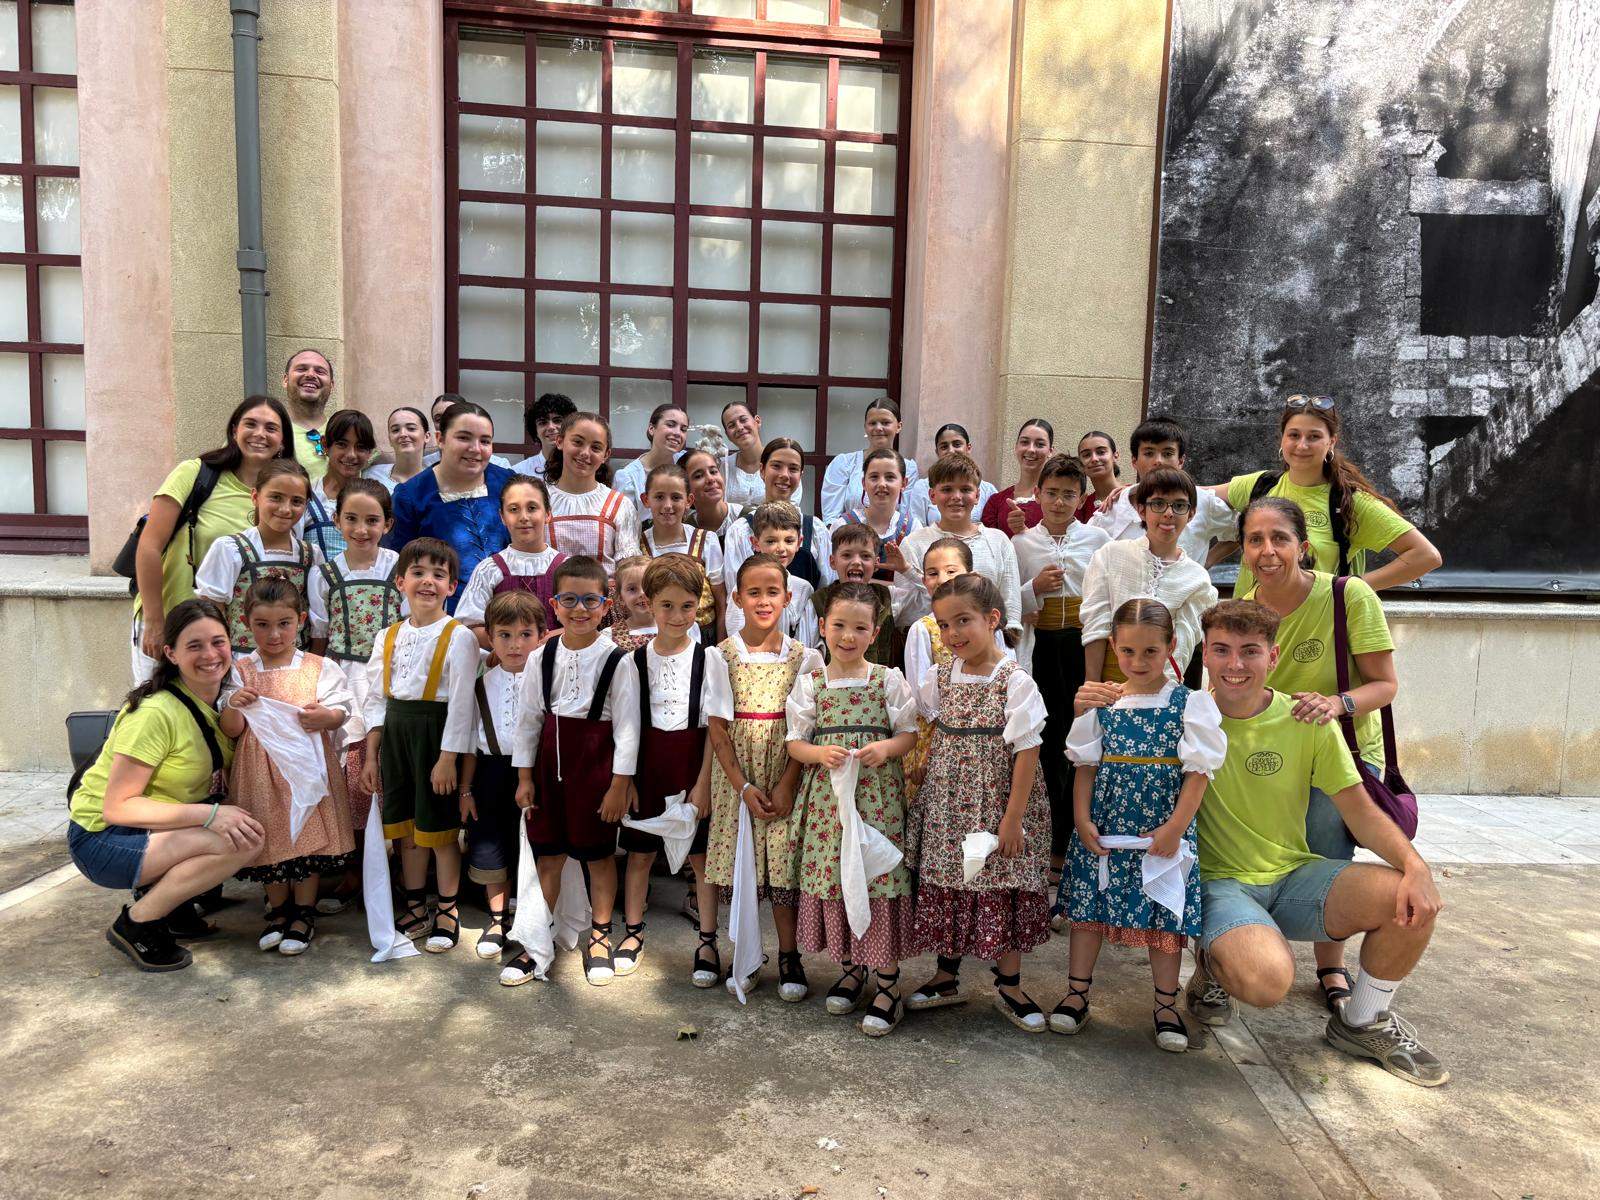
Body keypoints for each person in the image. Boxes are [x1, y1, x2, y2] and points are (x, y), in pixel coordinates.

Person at [1182, 600, 1448, 1087]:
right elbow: (1132, 702)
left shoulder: (1307, 720)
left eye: (1250, 651)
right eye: (1221, 650)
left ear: (1274, 656)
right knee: (1265, 981)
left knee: (1409, 900)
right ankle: (1213, 966)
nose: (1235, 665)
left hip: (1295, 875)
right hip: (1220, 887)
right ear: (1206, 655)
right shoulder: (1183, 718)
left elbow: (1361, 812)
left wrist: (1416, 867)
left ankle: (1361, 1022)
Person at [1232, 496, 1400, 1012]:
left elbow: (1385, 685)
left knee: (1329, 848)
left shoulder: (1349, 596)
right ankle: (1234, 950)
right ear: (1243, 550)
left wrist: (1334, 704)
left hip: (1340, 749)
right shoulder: (1247, 601)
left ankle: (1331, 964)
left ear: (1302, 547)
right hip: (1270, 754)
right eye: (1255, 539)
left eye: (1279, 538)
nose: (1267, 550)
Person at [1057, 598, 1225, 1051]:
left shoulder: (1190, 704)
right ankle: (1076, 993)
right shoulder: (1102, 700)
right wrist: (1081, 818)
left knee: (1163, 916)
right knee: (1089, 911)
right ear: (1114, 646)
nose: (1138, 662)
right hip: (1107, 825)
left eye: (1151, 651)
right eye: (1128, 651)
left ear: (1171, 645)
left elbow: (1198, 773)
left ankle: (1166, 1006)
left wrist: (1175, 828)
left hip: (1160, 829)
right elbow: (1086, 765)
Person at [68, 599, 265, 972]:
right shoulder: (156, 712)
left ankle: (171, 908)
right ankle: (138, 922)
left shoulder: (215, 702)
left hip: (145, 830)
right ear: (170, 653)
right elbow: (118, 807)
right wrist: (210, 816)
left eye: (218, 642)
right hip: (102, 838)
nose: (210, 655)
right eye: (194, 646)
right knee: (242, 839)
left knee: (238, 825)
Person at [905, 574, 1054, 1034]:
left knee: (1000, 884)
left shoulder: (1015, 680)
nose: (953, 635)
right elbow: (927, 724)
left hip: (999, 802)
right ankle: (946, 976)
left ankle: (1009, 982)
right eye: (945, 625)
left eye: (963, 621)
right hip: (950, 802)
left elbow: (1027, 752)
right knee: (954, 880)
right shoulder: (941, 675)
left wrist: (1012, 820)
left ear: (992, 619)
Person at [786, 582, 919, 1036]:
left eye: (859, 627)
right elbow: (795, 742)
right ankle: (849, 967)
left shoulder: (887, 679)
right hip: (828, 805)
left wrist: (887, 747)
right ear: (822, 627)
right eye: (838, 625)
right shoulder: (811, 684)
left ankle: (887, 984)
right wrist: (817, 754)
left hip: (877, 803)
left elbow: (908, 733)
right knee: (837, 879)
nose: (847, 636)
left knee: (874, 878)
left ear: (874, 631)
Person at [512, 555, 641, 987]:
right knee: (549, 854)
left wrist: (619, 786)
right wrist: (525, 777)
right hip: (549, 769)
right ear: (554, 603)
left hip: (596, 771)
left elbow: (627, 728)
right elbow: (529, 720)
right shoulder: (541, 656)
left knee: (599, 856)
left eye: (590, 600)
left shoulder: (617, 661)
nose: (580, 609)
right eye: (569, 599)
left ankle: (600, 935)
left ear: (606, 605)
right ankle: (536, 940)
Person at [703, 552, 820, 996]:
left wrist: (788, 781)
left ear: (788, 597)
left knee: (783, 871)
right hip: (739, 779)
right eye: (754, 592)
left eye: (773, 592)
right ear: (736, 598)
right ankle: (747, 955)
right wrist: (743, 786)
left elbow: (804, 727)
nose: (764, 600)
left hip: (786, 772)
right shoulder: (721, 656)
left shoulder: (805, 658)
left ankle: (790, 957)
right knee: (742, 870)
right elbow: (717, 729)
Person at [219, 577, 355, 957]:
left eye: (283, 624)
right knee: (270, 835)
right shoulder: (241, 671)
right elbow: (231, 730)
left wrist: (326, 716)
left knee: (306, 835)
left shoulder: (318, 667)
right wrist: (235, 704)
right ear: (246, 623)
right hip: (259, 770)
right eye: (262, 625)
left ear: (301, 620)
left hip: (306, 767)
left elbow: (342, 711)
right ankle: (278, 910)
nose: (274, 634)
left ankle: (304, 913)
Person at [359, 537, 481, 954]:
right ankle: (414, 902)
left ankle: (447, 908)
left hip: (436, 735)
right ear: (400, 581)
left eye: (438, 574)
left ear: (452, 586)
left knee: (440, 831)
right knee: (407, 830)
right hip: (396, 735)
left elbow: (463, 706)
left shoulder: (459, 636)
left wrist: (448, 759)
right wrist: (371, 754)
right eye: (418, 572)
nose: (427, 581)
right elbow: (376, 697)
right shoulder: (387, 635)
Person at [615, 555, 731, 981]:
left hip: (692, 762)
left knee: (700, 859)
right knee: (640, 855)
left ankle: (707, 941)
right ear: (649, 603)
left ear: (697, 604)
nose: (677, 616)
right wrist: (624, 780)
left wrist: (703, 786)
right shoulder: (633, 662)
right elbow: (627, 727)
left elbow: (714, 728)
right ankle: (632, 931)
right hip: (648, 764)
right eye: (667, 605)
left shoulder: (711, 659)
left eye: (686, 606)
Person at [131, 395, 296, 683]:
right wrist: (154, 620)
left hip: (225, 639)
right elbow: (149, 546)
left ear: (282, 441)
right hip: (171, 619)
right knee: (158, 708)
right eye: (251, 424)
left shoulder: (285, 498)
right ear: (234, 430)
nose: (260, 434)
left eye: (271, 428)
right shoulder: (195, 473)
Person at [1208, 395, 1443, 594]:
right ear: (1282, 438)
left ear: (1331, 442)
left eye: (1314, 436)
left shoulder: (1350, 502)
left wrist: (1347, 589)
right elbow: (1189, 498)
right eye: (1294, 435)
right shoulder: (1259, 485)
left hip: (1315, 635)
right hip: (1251, 635)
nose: (1302, 445)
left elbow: (1426, 556)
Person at [1012, 454, 1109, 924]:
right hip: (1040, 648)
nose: (1058, 501)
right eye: (1051, 492)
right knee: (1045, 742)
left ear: (1081, 498)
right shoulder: (1020, 543)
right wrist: (1034, 586)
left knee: (1082, 739)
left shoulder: (1098, 540)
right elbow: (1010, 600)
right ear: (1039, 493)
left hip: (1082, 649)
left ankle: (1072, 841)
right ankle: (1046, 842)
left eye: (1069, 494)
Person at [307, 478, 404, 840]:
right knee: (351, 757)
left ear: (387, 524)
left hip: (391, 675)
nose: (361, 529)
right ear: (336, 520)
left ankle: (392, 849)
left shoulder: (400, 569)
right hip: (343, 675)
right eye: (351, 519)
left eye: (372, 520)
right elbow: (319, 633)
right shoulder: (325, 574)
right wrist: (313, 683)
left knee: (386, 756)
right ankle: (355, 851)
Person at [460, 591, 543, 971]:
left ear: (541, 635)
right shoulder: (480, 684)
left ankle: (532, 918)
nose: (515, 644)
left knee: (533, 847)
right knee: (491, 843)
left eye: (525, 634)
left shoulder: (548, 678)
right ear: (489, 638)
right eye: (505, 635)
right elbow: (470, 744)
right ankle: (497, 919)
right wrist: (465, 790)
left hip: (536, 776)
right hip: (491, 774)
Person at [1079, 468, 1218, 686]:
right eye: (1158, 503)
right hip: (1107, 682)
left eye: (1179, 505)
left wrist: (1156, 696)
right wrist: (1092, 686)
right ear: (1141, 509)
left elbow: (1182, 645)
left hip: (1161, 686)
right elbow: (1096, 624)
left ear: (1191, 514)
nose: (1169, 513)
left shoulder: (1197, 579)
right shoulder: (1110, 555)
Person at [387, 401, 515, 613]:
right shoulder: (411, 495)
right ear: (440, 439)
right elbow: (401, 566)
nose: (475, 449)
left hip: (507, 616)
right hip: (442, 618)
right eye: (463, 438)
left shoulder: (507, 484)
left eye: (485, 441)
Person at [193, 459, 316, 655]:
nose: (285, 509)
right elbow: (212, 611)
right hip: (242, 663)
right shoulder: (230, 549)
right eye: (276, 497)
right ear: (256, 497)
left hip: (295, 666)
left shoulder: (311, 555)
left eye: (297, 501)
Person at [894, 452, 1023, 639]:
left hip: (989, 648)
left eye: (965, 489)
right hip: (933, 647)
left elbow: (1010, 604)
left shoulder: (999, 541)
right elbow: (906, 611)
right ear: (932, 495)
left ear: (977, 495)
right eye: (947, 489)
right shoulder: (914, 543)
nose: (956, 497)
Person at [1089, 416, 1238, 569]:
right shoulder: (1113, 507)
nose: (1158, 461)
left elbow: (1240, 531)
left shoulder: (1203, 502)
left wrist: (1206, 563)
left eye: (1167, 453)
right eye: (1149, 453)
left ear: (1180, 461)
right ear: (1134, 460)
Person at [454, 474, 565, 641]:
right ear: (502, 517)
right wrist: (510, 646)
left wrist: (543, 643)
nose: (523, 517)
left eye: (532, 508)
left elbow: (583, 625)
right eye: (514, 509)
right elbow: (470, 628)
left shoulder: (566, 568)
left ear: (548, 514)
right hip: (503, 665)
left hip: (557, 664)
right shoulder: (489, 569)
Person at [722, 438, 831, 591]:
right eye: (776, 466)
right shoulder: (741, 530)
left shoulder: (815, 529)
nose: (784, 475)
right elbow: (736, 591)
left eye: (793, 469)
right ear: (762, 470)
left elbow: (826, 589)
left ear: (800, 475)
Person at [544, 411, 642, 576]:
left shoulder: (619, 505)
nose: (585, 453)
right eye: (578, 442)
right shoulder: (539, 500)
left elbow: (628, 571)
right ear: (560, 441)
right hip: (548, 601)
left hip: (603, 601)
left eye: (595, 447)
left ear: (606, 455)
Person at [642, 463, 725, 642]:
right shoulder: (639, 544)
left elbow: (720, 600)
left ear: (689, 501)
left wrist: (721, 645)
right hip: (654, 638)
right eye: (659, 497)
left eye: (676, 497)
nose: (667, 505)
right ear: (646, 500)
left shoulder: (706, 540)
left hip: (704, 636)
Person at [725, 503, 820, 647]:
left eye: (789, 541)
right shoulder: (742, 587)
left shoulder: (804, 589)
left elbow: (807, 639)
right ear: (755, 543)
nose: (781, 548)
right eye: (771, 541)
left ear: (799, 542)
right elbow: (735, 632)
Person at [820, 398, 919, 523]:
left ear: (898, 426)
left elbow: (908, 516)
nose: (878, 428)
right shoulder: (844, 464)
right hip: (850, 538)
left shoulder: (908, 469)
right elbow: (831, 519)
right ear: (865, 427)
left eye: (885, 422)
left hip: (895, 540)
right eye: (872, 423)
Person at [301, 409, 377, 562]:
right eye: (342, 444)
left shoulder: (378, 499)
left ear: (370, 452)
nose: (351, 454)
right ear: (325, 445)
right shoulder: (305, 497)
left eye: (360, 447)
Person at [817, 523, 897, 666]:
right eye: (847, 555)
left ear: (876, 563)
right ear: (832, 561)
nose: (856, 562)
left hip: (877, 684)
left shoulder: (888, 597)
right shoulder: (817, 601)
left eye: (865, 556)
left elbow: (926, 596)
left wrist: (905, 569)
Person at [905, 423, 997, 526]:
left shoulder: (988, 490)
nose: (951, 450)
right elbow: (917, 526)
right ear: (937, 452)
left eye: (957, 444)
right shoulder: (922, 487)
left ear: (968, 448)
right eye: (944, 447)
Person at [721, 400, 802, 510]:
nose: (739, 427)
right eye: (731, 425)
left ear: (757, 421)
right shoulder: (721, 467)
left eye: (743, 420)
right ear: (727, 435)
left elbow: (790, 509)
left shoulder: (783, 465)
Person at [613, 403, 689, 520]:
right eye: (670, 425)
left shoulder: (687, 462)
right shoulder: (628, 477)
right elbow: (625, 525)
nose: (678, 433)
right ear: (652, 429)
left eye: (683, 429)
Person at [980, 418, 1054, 533]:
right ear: (1016, 447)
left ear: (1050, 451)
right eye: (1025, 442)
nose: (1031, 449)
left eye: (1039, 444)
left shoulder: (1060, 499)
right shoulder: (996, 501)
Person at [281, 349, 335, 479]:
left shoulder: (344, 430)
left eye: (320, 371)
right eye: (301, 369)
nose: (311, 374)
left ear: (332, 385)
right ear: (285, 380)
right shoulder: (267, 432)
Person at [422, 392, 512, 469]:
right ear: (439, 438)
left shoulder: (500, 467)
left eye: (485, 441)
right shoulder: (424, 465)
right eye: (438, 419)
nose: (445, 422)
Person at [364, 406, 433, 494]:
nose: (403, 434)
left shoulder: (438, 481)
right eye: (396, 430)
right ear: (389, 439)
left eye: (411, 428)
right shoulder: (371, 475)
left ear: (427, 436)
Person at [603, 555, 663, 653]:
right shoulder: (609, 636)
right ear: (621, 597)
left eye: (648, 585)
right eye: (632, 589)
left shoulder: (674, 626)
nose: (642, 593)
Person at [511, 392, 577, 480]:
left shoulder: (582, 467)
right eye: (543, 422)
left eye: (557, 420)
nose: (551, 427)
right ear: (535, 430)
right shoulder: (520, 472)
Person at [683, 446, 744, 539]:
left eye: (713, 471)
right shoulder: (685, 530)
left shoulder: (749, 519)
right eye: (698, 476)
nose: (711, 479)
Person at [1076, 430, 1121, 523]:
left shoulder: (1134, 495)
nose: (1094, 459)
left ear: (1115, 456)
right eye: (1087, 455)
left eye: (1101, 452)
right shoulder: (1082, 506)